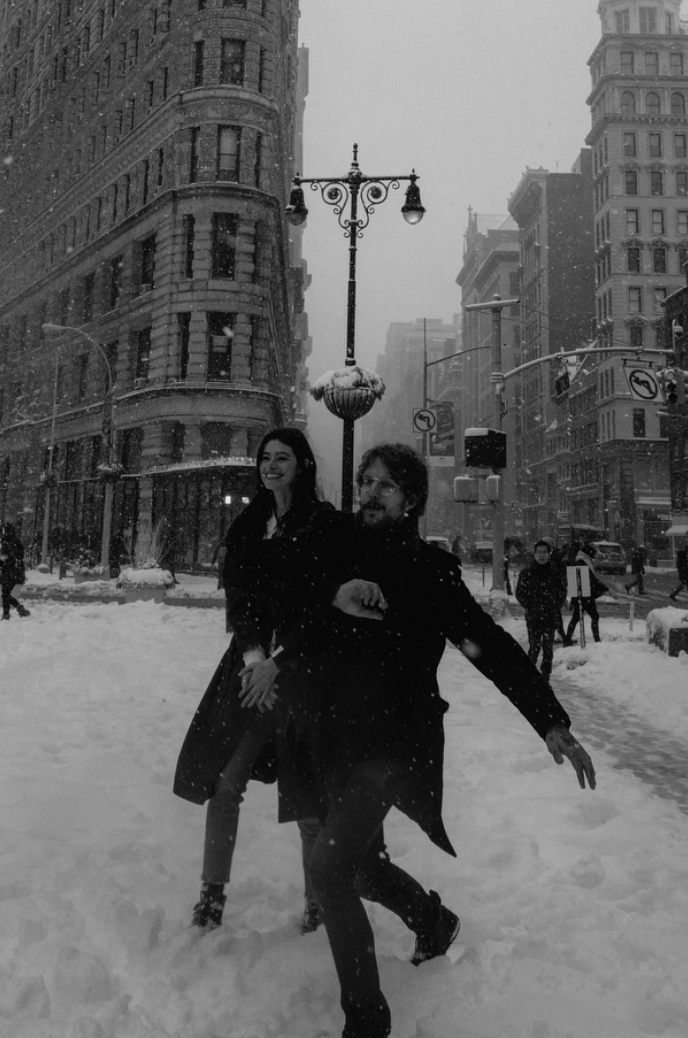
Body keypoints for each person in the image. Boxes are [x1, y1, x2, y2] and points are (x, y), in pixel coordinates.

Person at [278, 445, 595, 1038]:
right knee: (364, 872)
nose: (371, 493)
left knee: (328, 868)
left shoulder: (430, 570)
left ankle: (367, 1022)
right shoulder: (333, 546)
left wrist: (549, 718)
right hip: (332, 738)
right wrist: (330, 594)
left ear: (413, 500)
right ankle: (433, 919)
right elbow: (281, 586)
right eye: (365, 482)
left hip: (394, 744)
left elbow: (487, 645)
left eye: (387, 485)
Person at [173, 427, 341, 933]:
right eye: (265, 458)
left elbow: (323, 607)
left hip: (302, 674)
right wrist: (252, 655)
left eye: (283, 457)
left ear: (303, 465)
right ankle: (212, 891)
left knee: (307, 799)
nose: (271, 466)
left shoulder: (322, 524)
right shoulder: (248, 524)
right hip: (247, 672)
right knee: (226, 782)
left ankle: (319, 901)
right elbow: (240, 599)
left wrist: (279, 661)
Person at [514, 538, 566, 677]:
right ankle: (530, 677)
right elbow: (519, 593)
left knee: (548, 648)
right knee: (534, 647)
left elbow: (562, 592)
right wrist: (530, 607)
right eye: (539, 552)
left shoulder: (555, 573)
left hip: (550, 617)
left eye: (544, 552)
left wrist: (555, 607)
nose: (541, 555)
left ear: (549, 554)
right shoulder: (527, 573)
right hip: (533, 617)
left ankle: (545, 677)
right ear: (534, 554)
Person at [564, 543, 608, 645]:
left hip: (581, 594)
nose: (594, 554)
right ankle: (597, 640)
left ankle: (567, 640)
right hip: (585, 594)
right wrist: (606, 589)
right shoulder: (582, 561)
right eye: (593, 552)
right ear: (589, 552)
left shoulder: (580, 560)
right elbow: (592, 579)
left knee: (576, 618)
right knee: (594, 616)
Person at [0, 522, 30, 620]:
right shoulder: (17, 542)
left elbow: (4, 557)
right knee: (6, 594)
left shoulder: (6, 542)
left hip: (9, 571)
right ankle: (18, 609)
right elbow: (19, 556)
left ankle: (7, 615)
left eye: (3, 531)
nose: (2, 534)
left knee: (5, 594)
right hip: (17, 571)